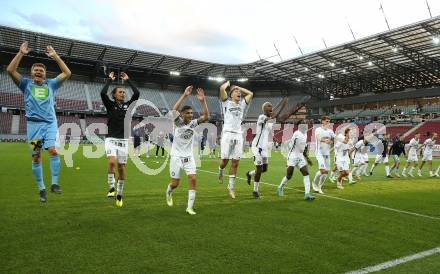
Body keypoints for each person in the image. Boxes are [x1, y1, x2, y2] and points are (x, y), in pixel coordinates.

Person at [6, 41, 71, 202]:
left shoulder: (51, 84)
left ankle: (54, 183)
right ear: (31, 72)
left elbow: (67, 73)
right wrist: (21, 53)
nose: (39, 71)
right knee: (36, 157)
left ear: (45, 73)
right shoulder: (25, 84)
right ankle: (42, 188)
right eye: (36, 69)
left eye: (41, 70)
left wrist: (55, 56)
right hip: (33, 126)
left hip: (50, 124)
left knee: (53, 151)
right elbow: (10, 70)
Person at [165, 86, 209, 215]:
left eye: (191, 113)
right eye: (188, 113)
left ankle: (189, 207)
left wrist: (202, 101)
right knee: (175, 184)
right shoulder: (178, 122)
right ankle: (169, 191)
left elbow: (206, 116)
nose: (191, 115)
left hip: (189, 157)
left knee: (193, 179)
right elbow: (174, 110)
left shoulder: (193, 123)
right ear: (182, 114)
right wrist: (184, 95)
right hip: (176, 156)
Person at [101, 71, 140, 207]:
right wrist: (109, 80)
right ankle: (111, 187)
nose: (123, 94)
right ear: (114, 94)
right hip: (111, 139)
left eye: (124, 92)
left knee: (122, 169)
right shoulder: (110, 105)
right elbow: (102, 93)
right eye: (120, 92)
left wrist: (128, 80)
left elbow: (137, 94)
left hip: (123, 141)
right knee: (112, 162)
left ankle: (119, 194)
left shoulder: (128, 106)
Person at [246, 98, 288, 198]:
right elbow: (274, 116)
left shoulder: (269, 121)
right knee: (259, 168)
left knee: (264, 169)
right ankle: (255, 191)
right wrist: (282, 106)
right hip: (257, 147)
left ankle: (250, 174)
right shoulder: (261, 117)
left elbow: (270, 128)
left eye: (271, 106)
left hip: (264, 148)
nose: (271, 108)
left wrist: (274, 139)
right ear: (264, 109)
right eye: (268, 106)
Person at [218, 81, 253, 199]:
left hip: (238, 134)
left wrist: (239, 87)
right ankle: (221, 171)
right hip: (227, 134)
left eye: (239, 92)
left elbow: (250, 94)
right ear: (231, 94)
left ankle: (231, 187)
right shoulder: (226, 103)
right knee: (224, 161)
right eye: (236, 92)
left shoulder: (242, 104)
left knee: (235, 162)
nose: (239, 93)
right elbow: (222, 89)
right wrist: (228, 84)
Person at [277, 123, 315, 200]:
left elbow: (303, 148)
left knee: (306, 173)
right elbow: (296, 145)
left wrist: (307, 158)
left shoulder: (305, 134)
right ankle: (280, 188)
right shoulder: (297, 133)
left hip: (300, 157)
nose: (306, 126)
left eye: (306, 124)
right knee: (289, 175)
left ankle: (307, 194)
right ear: (300, 126)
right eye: (303, 124)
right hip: (292, 156)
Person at [311, 116, 335, 194]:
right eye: (327, 121)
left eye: (329, 121)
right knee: (322, 170)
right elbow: (318, 137)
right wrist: (325, 140)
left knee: (326, 172)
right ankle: (314, 183)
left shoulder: (330, 131)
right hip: (319, 153)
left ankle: (319, 187)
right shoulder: (318, 129)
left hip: (326, 153)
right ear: (323, 121)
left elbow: (334, 138)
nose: (328, 123)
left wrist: (332, 141)